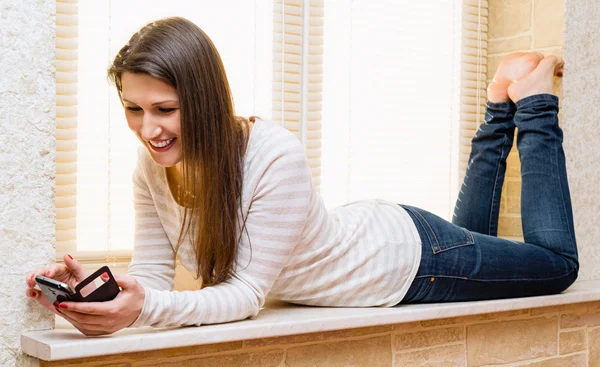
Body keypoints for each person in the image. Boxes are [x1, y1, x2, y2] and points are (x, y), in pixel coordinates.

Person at [25, 17, 578, 336]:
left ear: (204, 98)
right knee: (477, 233)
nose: (149, 130)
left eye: (165, 109)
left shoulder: (271, 153)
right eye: (133, 109)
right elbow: (155, 276)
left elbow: (244, 295)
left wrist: (142, 306)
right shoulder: (151, 166)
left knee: (557, 266)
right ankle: (498, 103)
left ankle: (531, 103)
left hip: (409, 262)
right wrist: (102, 296)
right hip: (382, 236)